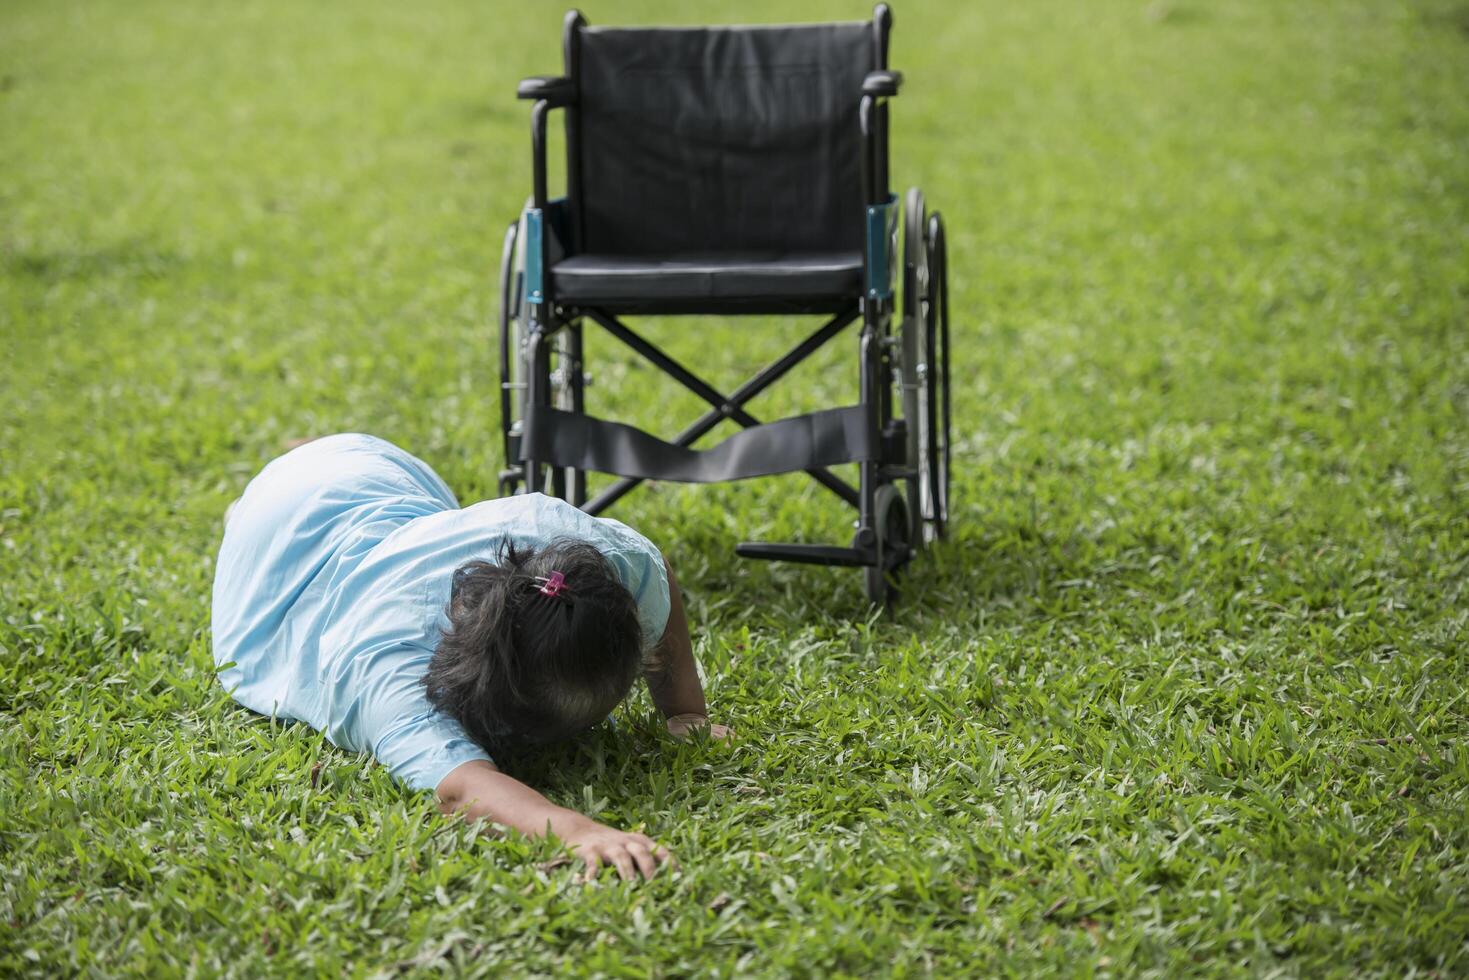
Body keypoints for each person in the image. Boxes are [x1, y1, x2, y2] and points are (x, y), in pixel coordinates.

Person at [212, 433, 728, 881]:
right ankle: (249, 510)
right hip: (286, 538)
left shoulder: (602, 563)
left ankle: (290, 472)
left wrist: (686, 712)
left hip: (382, 470)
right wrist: (574, 830)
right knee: (263, 516)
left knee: (386, 510)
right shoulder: (384, 664)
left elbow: (658, 569)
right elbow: (460, 789)